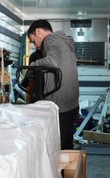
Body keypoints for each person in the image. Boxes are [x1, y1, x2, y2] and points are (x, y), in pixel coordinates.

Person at [26, 19, 80, 150]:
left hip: (60, 106)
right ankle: (68, 171)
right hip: (70, 105)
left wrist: (33, 65)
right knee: (66, 148)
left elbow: (53, 61)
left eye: (33, 41)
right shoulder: (63, 42)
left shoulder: (50, 39)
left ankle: (56, 171)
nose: (36, 46)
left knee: (53, 150)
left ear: (38, 32)